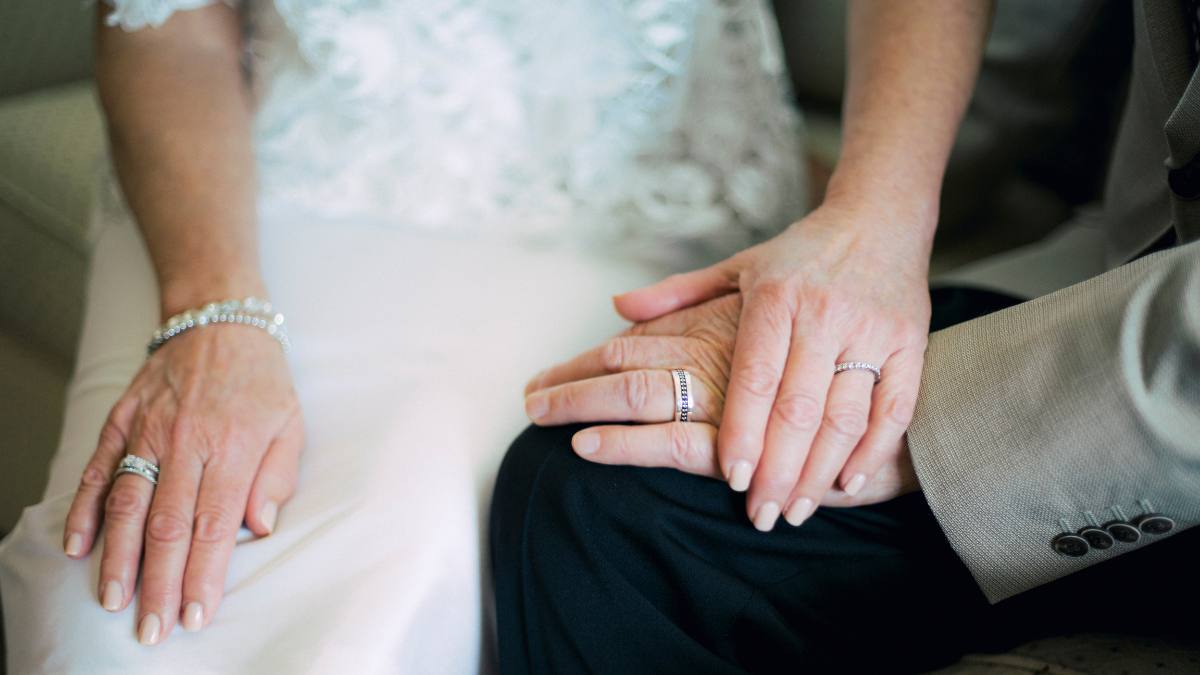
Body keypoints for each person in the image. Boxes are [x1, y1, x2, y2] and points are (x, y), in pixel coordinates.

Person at [0, 0, 813, 672]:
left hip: (632, 194)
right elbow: (164, 26)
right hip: (271, 168)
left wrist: (877, 227)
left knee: (397, 578)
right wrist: (214, 312)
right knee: (119, 608)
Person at [492, 0, 1200, 672]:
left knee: (628, 516)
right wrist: (874, 218)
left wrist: (941, 424)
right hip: (1118, 260)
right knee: (602, 485)